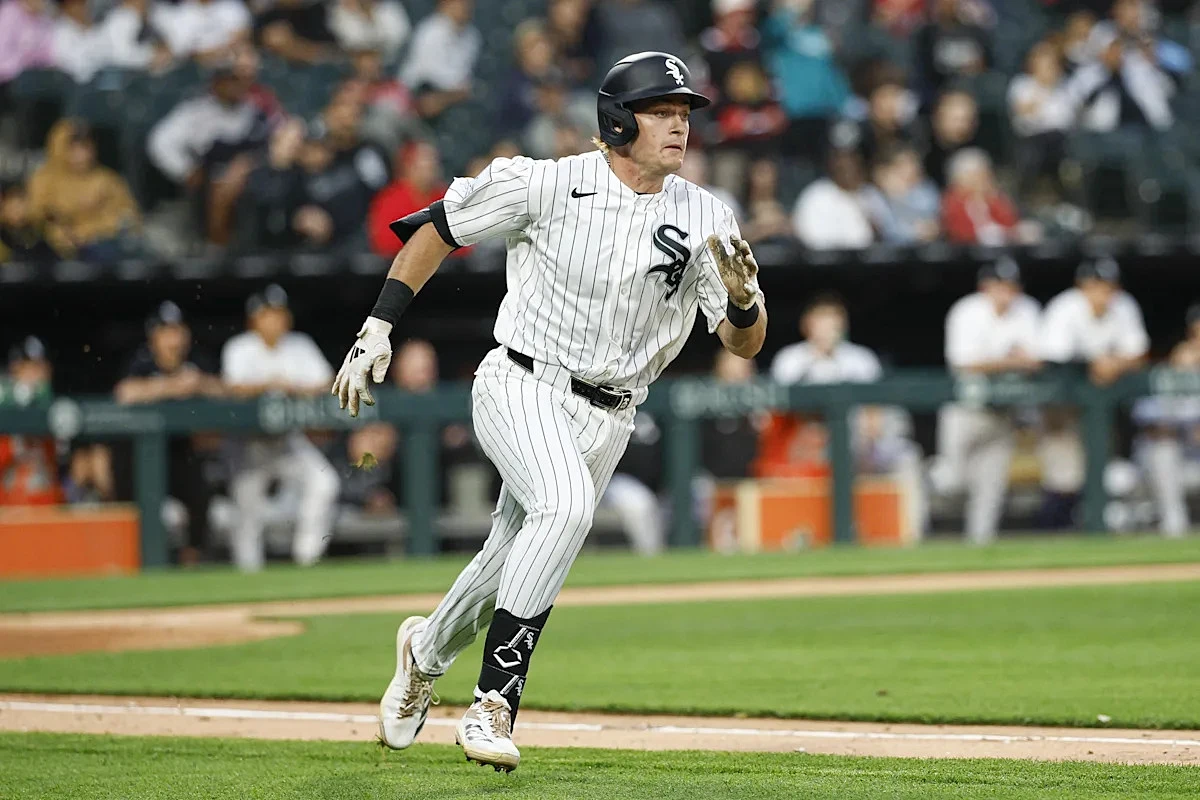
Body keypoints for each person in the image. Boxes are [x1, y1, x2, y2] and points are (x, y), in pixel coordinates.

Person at [331, 51, 765, 772]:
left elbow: (742, 344)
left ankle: (424, 651)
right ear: (618, 121)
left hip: (612, 414)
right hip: (522, 381)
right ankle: (493, 703)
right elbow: (438, 227)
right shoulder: (547, 182)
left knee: (511, 557)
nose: (679, 126)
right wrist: (378, 326)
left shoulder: (708, 214)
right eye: (662, 112)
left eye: (685, 113)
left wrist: (745, 302)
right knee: (564, 509)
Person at [221, 284, 340, 571]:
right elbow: (233, 388)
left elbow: (327, 381)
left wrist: (294, 388)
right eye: (269, 314)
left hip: (288, 441)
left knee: (324, 483)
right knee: (247, 512)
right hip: (248, 444)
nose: (276, 320)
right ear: (255, 318)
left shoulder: (300, 344)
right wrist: (270, 385)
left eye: (280, 313)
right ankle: (248, 573)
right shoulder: (240, 347)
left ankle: (307, 559)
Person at [935, 258, 1042, 544]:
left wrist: (998, 363)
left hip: (1004, 412)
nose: (1006, 292)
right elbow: (963, 363)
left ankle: (978, 547)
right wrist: (1011, 361)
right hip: (965, 410)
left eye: (1011, 286)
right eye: (999, 285)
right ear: (986, 287)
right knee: (951, 482)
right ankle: (929, 536)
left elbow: (1037, 360)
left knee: (991, 489)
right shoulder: (966, 311)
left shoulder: (1028, 309)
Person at [1037, 258, 1149, 527]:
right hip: (1062, 407)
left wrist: (1114, 364)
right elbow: (1053, 359)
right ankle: (1050, 529)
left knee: (1108, 473)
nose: (1103, 293)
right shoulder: (1065, 308)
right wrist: (1094, 364)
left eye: (1108, 287)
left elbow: (1138, 354)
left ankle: (1088, 525)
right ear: (1082, 286)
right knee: (1065, 478)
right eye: (1096, 286)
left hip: (1105, 408)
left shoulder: (1124, 306)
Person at [114, 301, 224, 564]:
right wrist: (172, 386)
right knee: (131, 500)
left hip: (180, 452)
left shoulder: (196, 361)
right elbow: (124, 393)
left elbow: (226, 390)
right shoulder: (141, 361)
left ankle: (192, 559)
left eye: (177, 331)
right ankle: (138, 560)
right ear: (154, 337)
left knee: (200, 493)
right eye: (166, 332)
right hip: (141, 458)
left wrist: (200, 384)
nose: (173, 339)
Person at [26, 119, 140, 262]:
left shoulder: (107, 180)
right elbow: (37, 216)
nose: (82, 155)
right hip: (53, 253)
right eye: (73, 149)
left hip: (99, 249)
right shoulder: (43, 180)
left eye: (86, 147)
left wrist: (89, 231)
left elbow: (128, 217)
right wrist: (58, 234)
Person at [1132, 304, 1200, 537]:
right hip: (1169, 467)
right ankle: (1174, 526)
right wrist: (1185, 429)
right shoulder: (1165, 376)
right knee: (1163, 449)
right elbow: (1145, 418)